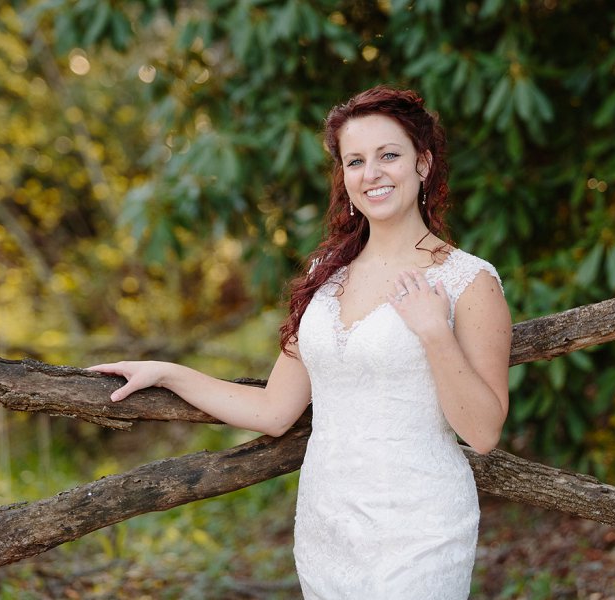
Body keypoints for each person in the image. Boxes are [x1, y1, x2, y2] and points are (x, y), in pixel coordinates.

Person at [89, 85, 511, 599]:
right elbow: (273, 408)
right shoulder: (325, 276)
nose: (371, 173)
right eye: (355, 161)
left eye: (389, 155)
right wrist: (167, 372)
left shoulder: (469, 280)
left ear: (423, 164)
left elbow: (484, 432)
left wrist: (434, 334)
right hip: (326, 523)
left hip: (420, 527)